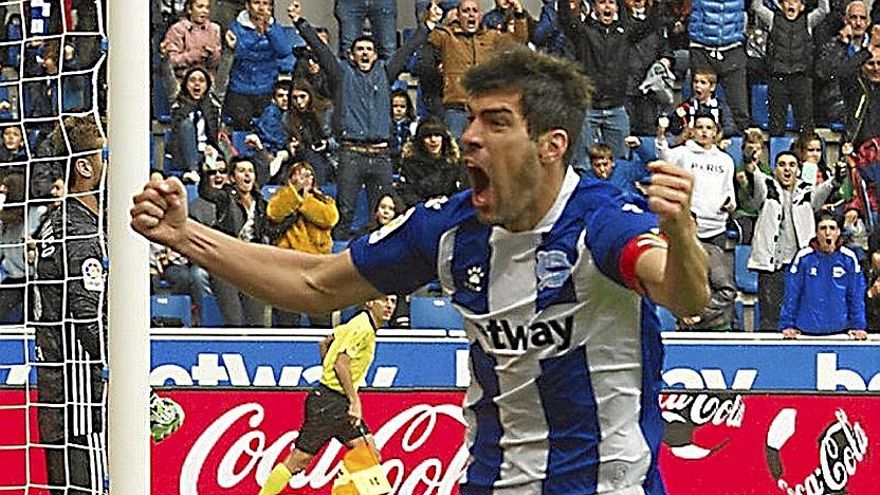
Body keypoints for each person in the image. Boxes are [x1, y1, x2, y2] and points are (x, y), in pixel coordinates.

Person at [131, 46, 710, 493]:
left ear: (551, 145)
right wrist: (186, 235)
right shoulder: (446, 229)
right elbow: (313, 285)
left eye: (496, 122)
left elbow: (684, 295)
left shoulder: (601, 222)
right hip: (492, 483)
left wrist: (681, 232)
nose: (472, 138)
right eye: (470, 119)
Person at [289, 2, 440, 241]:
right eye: (359, 49)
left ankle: (382, 265)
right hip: (351, 154)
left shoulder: (386, 72)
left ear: (376, 54)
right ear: (351, 55)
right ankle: (337, 258)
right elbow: (320, 49)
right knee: (344, 212)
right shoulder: (341, 74)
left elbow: (408, 48)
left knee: (386, 214)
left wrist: (428, 25)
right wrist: (300, 22)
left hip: (381, 156)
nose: (365, 52)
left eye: (369, 48)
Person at [32, 115, 107, 495]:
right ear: (84, 167)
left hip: (60, 394)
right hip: (80, 398)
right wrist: (136, 387)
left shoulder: (55, 222)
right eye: (105, 154)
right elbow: (87, 314)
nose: (111, 162)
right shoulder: (78, 229)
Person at [258, 294, 397, 494]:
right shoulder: (362, 327)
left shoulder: (359, 324)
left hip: (332, 400)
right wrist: (354, 401)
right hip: (330, 402)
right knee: (299, 460)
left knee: (368, 454)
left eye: (393, 301)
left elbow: (325, 342)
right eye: (384, 301)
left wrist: (328, 368)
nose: (389, 306)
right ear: (369, 302)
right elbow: (341, 364)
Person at [558, 0, 660, 170]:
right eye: (602, 2)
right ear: (595, 7)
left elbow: (651, 24)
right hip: (588, 108)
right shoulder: (583, 31)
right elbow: (564, 19)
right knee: (584, 165)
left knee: (620, 164)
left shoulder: (625, 32)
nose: (607, 7)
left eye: (611, 3)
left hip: (616, 107)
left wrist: (656, 3)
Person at [747, 151, 840, 331]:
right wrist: (749, 160)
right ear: (775, 170)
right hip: (771, 266)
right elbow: (755, 175)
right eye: (782, 165)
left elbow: (827, 187)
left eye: (792, 165)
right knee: (770, 318)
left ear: (798, 169)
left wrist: (837, 176)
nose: (787, 169)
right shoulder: (767, 188)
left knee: (801, 313)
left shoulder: (807, 191)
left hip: (799, 265)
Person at [427, 0, 530, 141]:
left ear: (480, 15)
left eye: (474, 11)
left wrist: (518, 12)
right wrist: (437, 17)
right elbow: (429, 36)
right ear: (457, 15)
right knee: (454, 154)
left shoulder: (491, 36)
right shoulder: (446, 35)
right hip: (456, 108)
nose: (471, 15)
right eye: (466, 11)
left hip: (483, 109)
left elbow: (519, 40)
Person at [196, 156, 269, 327]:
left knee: (256, 323)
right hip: (225, 263)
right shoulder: (225, 197)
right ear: (232, 177)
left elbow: (269, 231)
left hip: (251, 265)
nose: (247, 175)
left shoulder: (261, 204)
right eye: (242, 171)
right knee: (234, 321)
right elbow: (206, 192)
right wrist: (206, 170)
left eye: (250, 171)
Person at [266, 161, 338, 327]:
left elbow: (329, 218)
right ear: (290, 179)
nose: (305, 179)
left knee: (321, 319)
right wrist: (294, 194)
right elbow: (274, 213)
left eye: (309, 175)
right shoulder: (281, 196)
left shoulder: (324, 200)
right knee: (287, 318)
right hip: (288, 265)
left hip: (317, 265)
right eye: (300, 175)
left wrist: (303, 200)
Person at [780, 212, 867, 339]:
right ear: (816, 232)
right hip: (806, 332)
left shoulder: (849, 258)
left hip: (840, 332)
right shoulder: (803, 257)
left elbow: (856, 295)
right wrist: (787, 325)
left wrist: (858, 326)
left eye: (832, 228)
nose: (827, 233)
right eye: (822, 228)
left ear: (838, 232)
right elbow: (792, 294)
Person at [657, 108, 737, 247]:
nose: (704, 131)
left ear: (715, 132)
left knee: (716, 269)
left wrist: (730, 204)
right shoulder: (683, 153)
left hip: (717, 228)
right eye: (700, 127)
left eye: (708, 128)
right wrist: (661, 136)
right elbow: (664, 157)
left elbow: (729, 191)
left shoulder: (726, 160)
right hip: (688, 225)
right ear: (692, 131)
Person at [752, 0, 829, 136]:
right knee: (776, 122)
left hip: (801, 78)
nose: (791, 5)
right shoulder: (772, 19)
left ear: (802, 6)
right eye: (787, 1)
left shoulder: (808, 21)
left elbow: (823, 10)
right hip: (778, 78)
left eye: (795, 1)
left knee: (805, 123)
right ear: (781, 5)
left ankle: (806, 154)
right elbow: (757, 6)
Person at [396, 116, 465, 209]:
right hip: (421, 212)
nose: (433, 140)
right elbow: (405, 192)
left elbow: (461, 190)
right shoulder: (411, 164)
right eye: (428, 136)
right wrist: (425, 204)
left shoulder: (455, 161)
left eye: (437, 135)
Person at [160, 0, 222, 83]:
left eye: (207, 7)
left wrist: (212, 54)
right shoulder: (177, 29)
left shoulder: (214, 29)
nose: (204, 11)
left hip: (207, 83)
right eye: (200, 7)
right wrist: (193, 56)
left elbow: (217, 63)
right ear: (189, 9)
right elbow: (170, 62)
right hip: (182, 83)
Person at [667, 66, 737, 139]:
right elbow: (674, 130)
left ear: (712, 87)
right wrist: (677, 119)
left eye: (703, 82)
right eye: (695, 81)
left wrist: (715, 134)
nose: (697, 85)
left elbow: (730, 128)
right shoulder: (686, 106)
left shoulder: (720, 106)